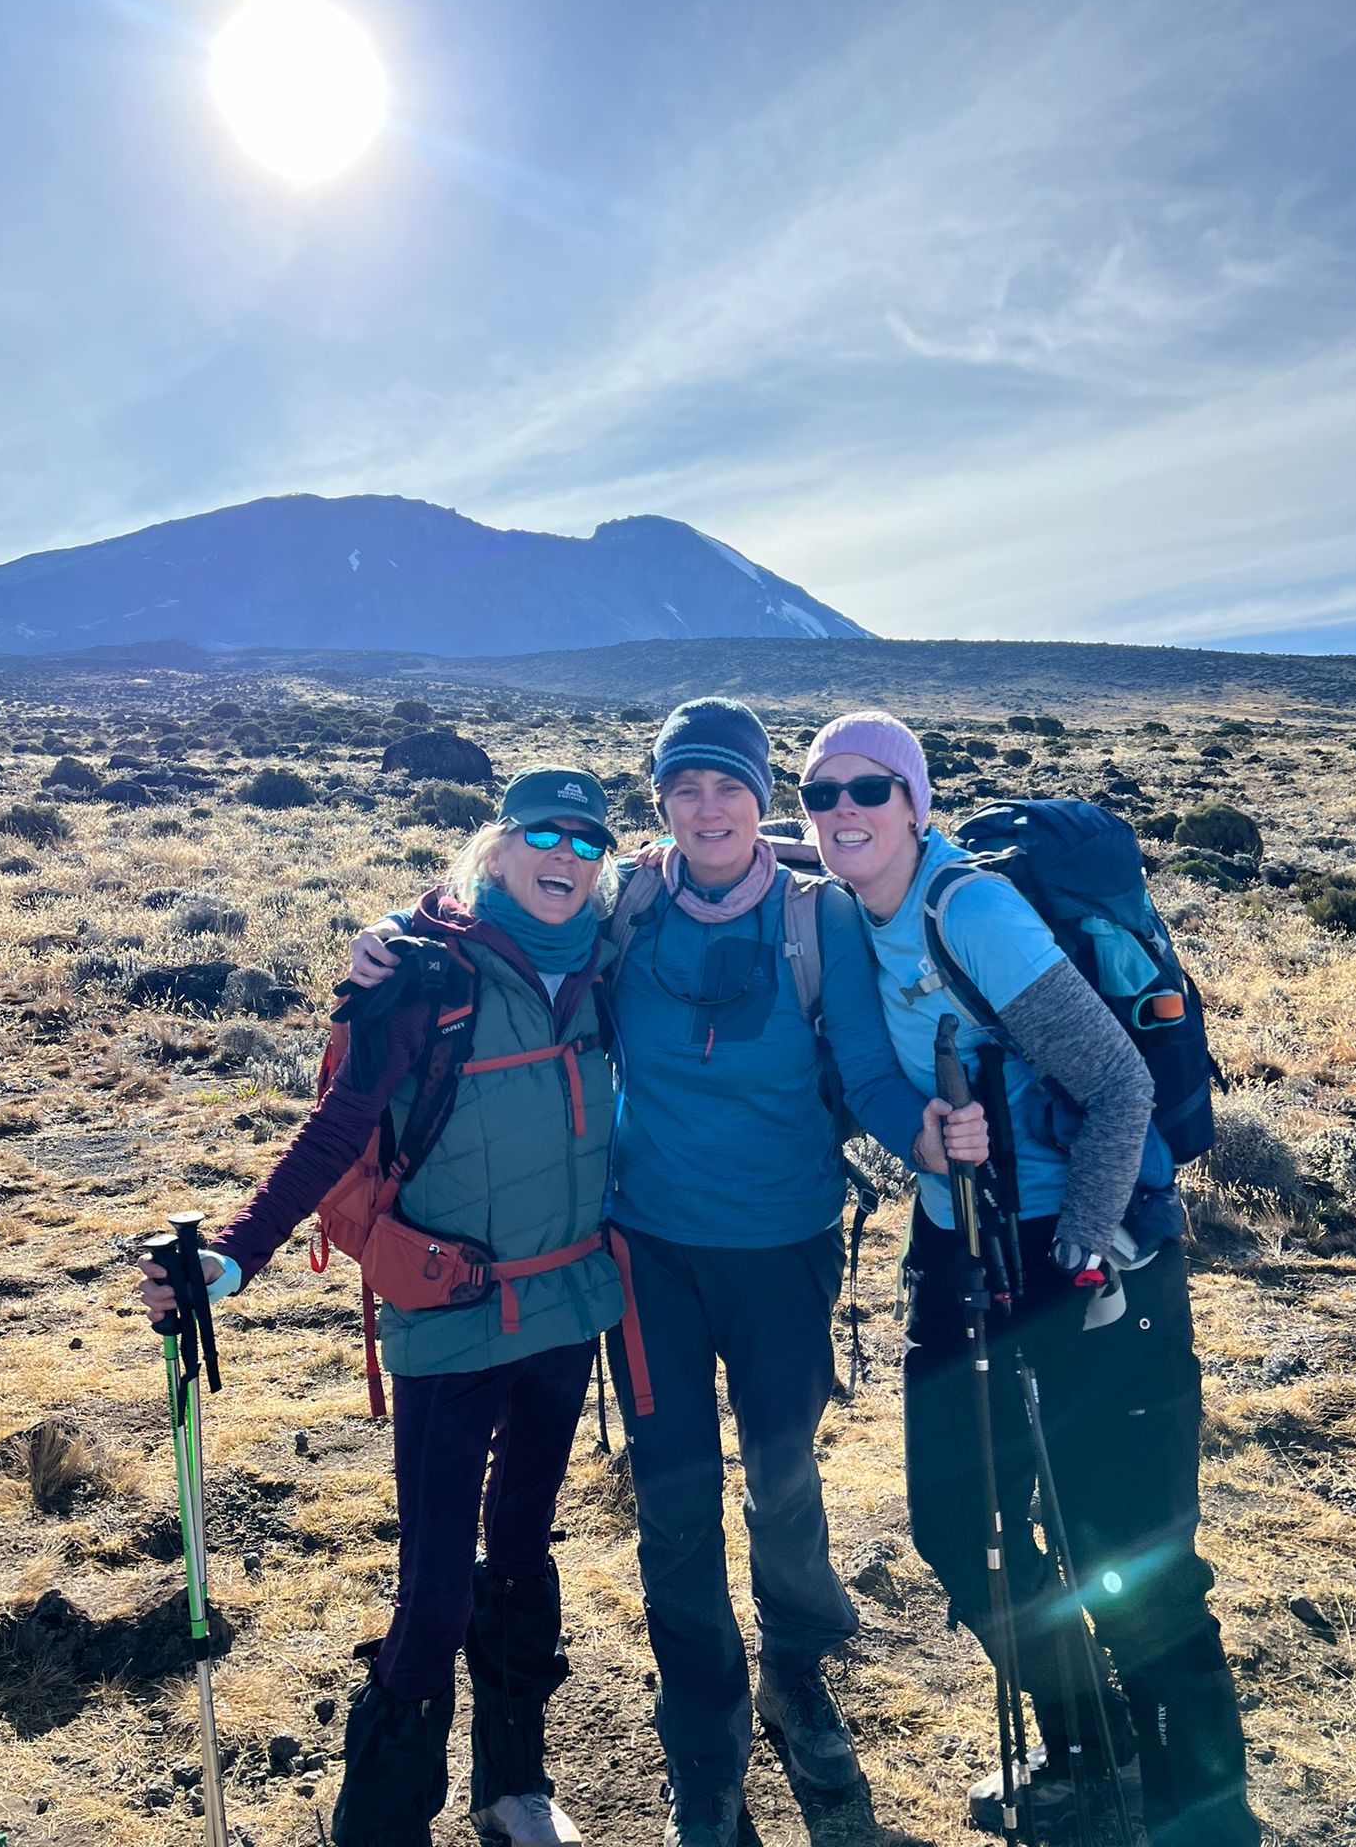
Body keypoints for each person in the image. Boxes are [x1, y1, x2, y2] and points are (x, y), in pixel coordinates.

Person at [350, 699, 988, 1847]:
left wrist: (926, 1138)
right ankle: (704, 1749)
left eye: (730, 785)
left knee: (784, 1475)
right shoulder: (629, 903)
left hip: (784, 1246)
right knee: (677, 1501)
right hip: (646, 1256)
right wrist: (392, 931)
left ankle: (798, 1659)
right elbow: (501, 913)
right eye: (685, 787)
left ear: (761, 797)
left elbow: (866, 1069)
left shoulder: (819, 919)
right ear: (661, 805)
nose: (709, 807)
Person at [139, 768, 632, 1847]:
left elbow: (740, 863)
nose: (566, 854)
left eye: (588, 841)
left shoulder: (609, 956)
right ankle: (381, 1816)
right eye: (542, 832)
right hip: (449, 1314)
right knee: (437, 1581)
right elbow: (338, 1122)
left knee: (522, 1547)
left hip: (566, 1303)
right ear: (495, 845)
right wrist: (234, 1254)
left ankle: (515, 1783)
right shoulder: (421, 974)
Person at [797, 711, 1259, 1847]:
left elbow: (1116, 1082)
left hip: (1084, 1252)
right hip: (954, 1244)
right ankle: (1088, 1747)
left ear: (914, 800)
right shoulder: (851, 909)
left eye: (869, 788)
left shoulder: (974, 911)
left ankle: (1200, 1810)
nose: (844, 811)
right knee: (961, 1518)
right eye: (821, 795)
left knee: (1128, 1540)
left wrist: (1090, 1243)